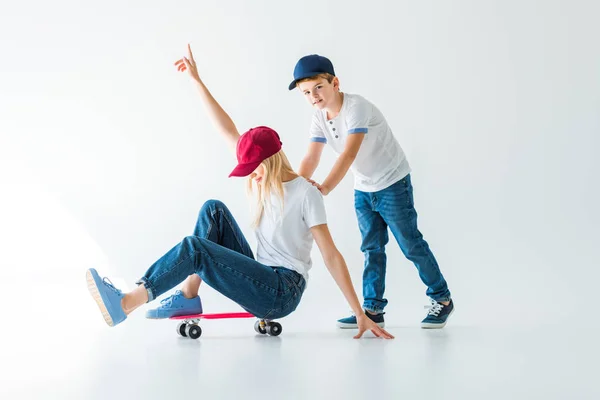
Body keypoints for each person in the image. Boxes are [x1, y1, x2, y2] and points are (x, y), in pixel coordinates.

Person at [85, 45, 393, 339]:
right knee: (213, 210)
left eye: (254, 168)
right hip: (260, 275)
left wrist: (359, 312)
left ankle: (127, 303)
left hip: (281, 293)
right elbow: (227, 128)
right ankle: (189, 296)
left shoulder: (305, 193)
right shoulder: (262, 177)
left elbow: (331, 256)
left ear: (269, 161)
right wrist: (197, 81)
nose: (252, 176)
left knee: (195, 248)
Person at [289, 54, 454, 329]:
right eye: (306, 92)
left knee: (410, 244)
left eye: (318, 86)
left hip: (393, 182)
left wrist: (325, 188)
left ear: (335, 83)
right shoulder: (318, 118)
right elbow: (311, 158)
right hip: (363, 188)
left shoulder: (357, 108)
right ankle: (372, 310)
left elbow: (348, 154)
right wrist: (292, 187)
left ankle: (443, 299)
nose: (313, 96)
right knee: (371, 248)